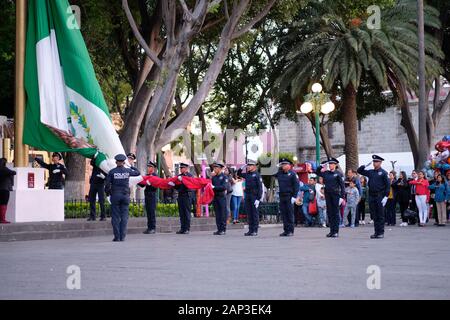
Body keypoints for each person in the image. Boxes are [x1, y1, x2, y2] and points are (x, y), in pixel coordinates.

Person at [105, 154, 140, 242]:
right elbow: (137, 172)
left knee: (115, 217)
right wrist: (131, 166)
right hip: (125, 196)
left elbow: (107, 185)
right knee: (124, 217)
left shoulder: (112, 172)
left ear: (116, 162)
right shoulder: (127, 171)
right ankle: (122, 236)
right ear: (124, 162)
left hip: (115, 196)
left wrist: (108, 193)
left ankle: (117, 237)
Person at [357, 155, 390, 239]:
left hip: (380, 196)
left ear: (380, 162)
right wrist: (365, 165)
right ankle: (376, 232)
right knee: (374, 215)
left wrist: (386, 197)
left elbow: (387, 186)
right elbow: (359, 171)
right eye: (374, 162)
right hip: (372, 196)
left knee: (380, 215)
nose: (375, 163)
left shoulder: (383, 173)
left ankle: (381, 232)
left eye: (376, 162)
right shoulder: (371, 172)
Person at [315, 158, 345, 238]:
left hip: (335, 195)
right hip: (328, 195)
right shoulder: (326, 173)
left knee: (335, 213)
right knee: (330, 213)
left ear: (335, 165)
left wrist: (342, 197)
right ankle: (331, 231)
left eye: (332, 164)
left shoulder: (338, 174)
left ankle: (336, 231)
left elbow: (342, 186)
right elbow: (317, 172)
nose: (330, 165)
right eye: (330, 164)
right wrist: (322, 165)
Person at [274, 158, 299, 236]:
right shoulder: (279, 173)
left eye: (285, 164)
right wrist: (277, 166)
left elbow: (296, 186)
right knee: (284, 214)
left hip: (289, 196)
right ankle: (286, 230)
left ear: (289, 165)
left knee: (289, 214)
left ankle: (290, 231)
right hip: (282, 196)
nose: (283, 166)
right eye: (282, 164)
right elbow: (272, 174)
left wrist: (294, 197)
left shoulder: (293, 174)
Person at [237, 159, 263, 236]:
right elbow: (239, 174)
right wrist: (242, 167)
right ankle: (250, 230)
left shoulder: (257, 175)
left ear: (254, 166)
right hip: (247, 195)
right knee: (249, 213)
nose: (248, 167)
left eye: (250, 165)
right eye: (248, 165)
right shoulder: (247, 174)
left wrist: (258, 199)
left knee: (254, 213)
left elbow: (260, 188)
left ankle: (255, 230)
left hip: (254, 196)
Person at [172, 163, 194, 234]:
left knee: (186, 213)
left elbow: (189, 185)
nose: (181, 169)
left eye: (182, 168)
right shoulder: (179, 176)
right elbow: (177, 187)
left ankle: (187, 228)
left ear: (186, 169)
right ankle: (182, 228)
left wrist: (182, 180)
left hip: (187, 196)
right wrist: (173, 185)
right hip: (180, 195)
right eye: (180, 168)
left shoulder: (189, 176)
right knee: (181, 213)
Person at [139, 161, 158, 234]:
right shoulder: (147, 175)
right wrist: (138, 180)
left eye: (150, 167)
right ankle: (149, 227)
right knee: (148, 212)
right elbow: (142, 185)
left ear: (153, 168)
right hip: (147, 195)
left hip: (152, 195)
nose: (148, 168)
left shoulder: (155, 176)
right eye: (148, 167)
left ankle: (152, 228)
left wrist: (150, 184)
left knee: (151, 212)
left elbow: (156, 186)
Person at [210, 162, 229, 235]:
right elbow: (210, 185)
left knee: (222, 214)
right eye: (214, 168)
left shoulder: (224, 177)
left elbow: (224, 187)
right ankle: (219, 229)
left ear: (220, 169)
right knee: (217, 214)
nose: (214, 169)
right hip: (215, 197)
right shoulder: (214, 177)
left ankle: (223, 229)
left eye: (216, 168)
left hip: (221, 197)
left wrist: (215, 187)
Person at [0, 158, 16, 224]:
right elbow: (14, 172)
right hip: (5, 189)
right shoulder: (4, 169)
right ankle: (3, 219)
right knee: (4, 204)